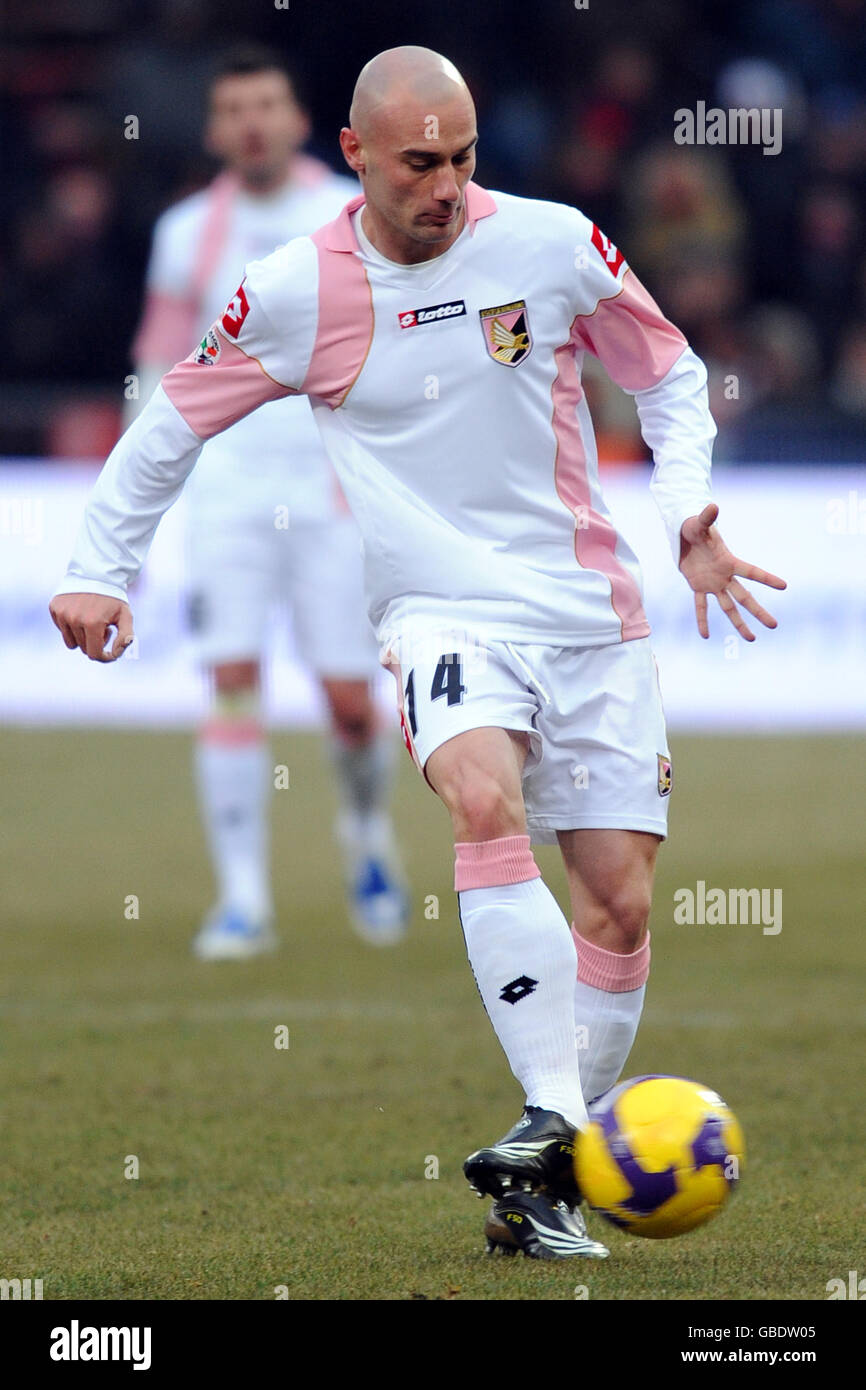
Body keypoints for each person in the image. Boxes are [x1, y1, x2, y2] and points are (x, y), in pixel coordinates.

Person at [50, 46, 785, 1260]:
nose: (445, 187)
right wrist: (97, 564)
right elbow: (171, 417)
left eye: (461, 159)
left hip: (585, 611)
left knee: (615, 902)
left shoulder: (550, 245)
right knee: (480, 797)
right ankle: (555, 1120)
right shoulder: (294, 292)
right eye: (417, 164)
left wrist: (683, 508)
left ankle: (544, 1170)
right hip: (436, 613)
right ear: (355, 156)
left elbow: (668, 375)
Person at [127, 45, 409, 957]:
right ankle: (243, 897)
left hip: (331, 492)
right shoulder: (184, 234)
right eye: (235, 109)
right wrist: (144, 486)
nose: (252, 122)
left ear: (298, 121)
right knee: (233, 685)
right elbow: (157, 368)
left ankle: (365, 833)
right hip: (228, 495)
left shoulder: (344, 214)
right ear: (216, 130)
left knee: (351, 704)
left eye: (267, 105)